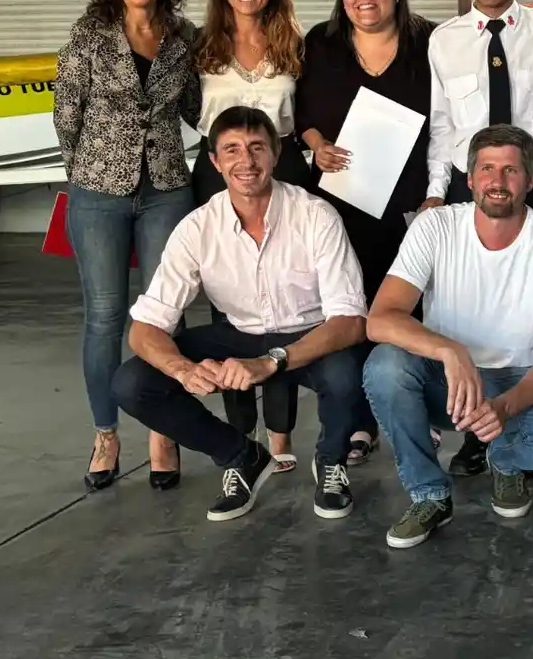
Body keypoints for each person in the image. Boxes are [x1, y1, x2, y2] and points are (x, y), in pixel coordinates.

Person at [111, 106, 368, 523]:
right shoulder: (197, 227)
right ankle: (241, 456)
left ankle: (331, 461)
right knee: (132, 382)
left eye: (256, 148)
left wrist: (272, 361)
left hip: (310, 334)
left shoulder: (315, 215)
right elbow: (145, 328)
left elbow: (351, 321)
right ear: (214, 161)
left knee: (346, 371)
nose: (245, 162)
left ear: (276, 154)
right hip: (241, 332)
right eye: (231, 150)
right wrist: (181, 370)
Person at [362, 124, 533, 549]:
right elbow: (379, 319)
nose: (497, 182)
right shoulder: (435, 227)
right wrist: (450, 351)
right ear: (469, 178)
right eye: (486, 169)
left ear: (532, 179)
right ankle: (429, 494)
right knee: (384, 367)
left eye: (511, 170)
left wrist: (504, 408)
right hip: (446, 380)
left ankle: (504, 460)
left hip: (516, 379)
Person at [55, 0, 199, 492]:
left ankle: (163, 431)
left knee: (169, 312)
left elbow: (195, 108)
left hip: (166, 187)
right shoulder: (90, 34)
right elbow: (67, 113)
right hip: (99, 190)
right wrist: (88, 171)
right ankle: (106, 433)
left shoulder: (184, 36)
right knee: (106, 317)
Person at [420, 0, 533, 480]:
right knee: (466, 306)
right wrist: (436, 194)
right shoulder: (445, 40)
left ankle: (524, 416)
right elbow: (440, 125)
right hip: (468, 186)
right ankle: (474, 429)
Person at [297, 0, 435, 466]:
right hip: (348, 198)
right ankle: (359, 423)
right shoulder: (322, 43)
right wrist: (317, 144)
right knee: (352, 308)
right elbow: (303, 112)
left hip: (416, 201)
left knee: (413, 310)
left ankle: (416, 412)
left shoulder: (429, 41)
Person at [192, 0, 309, 469]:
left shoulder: (296, 45)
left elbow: (308, 114)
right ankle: (242, 435)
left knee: (282, 302)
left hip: (281, 167)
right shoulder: (199, 47)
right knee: (231, 308)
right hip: (217, 175)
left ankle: (281, 436)